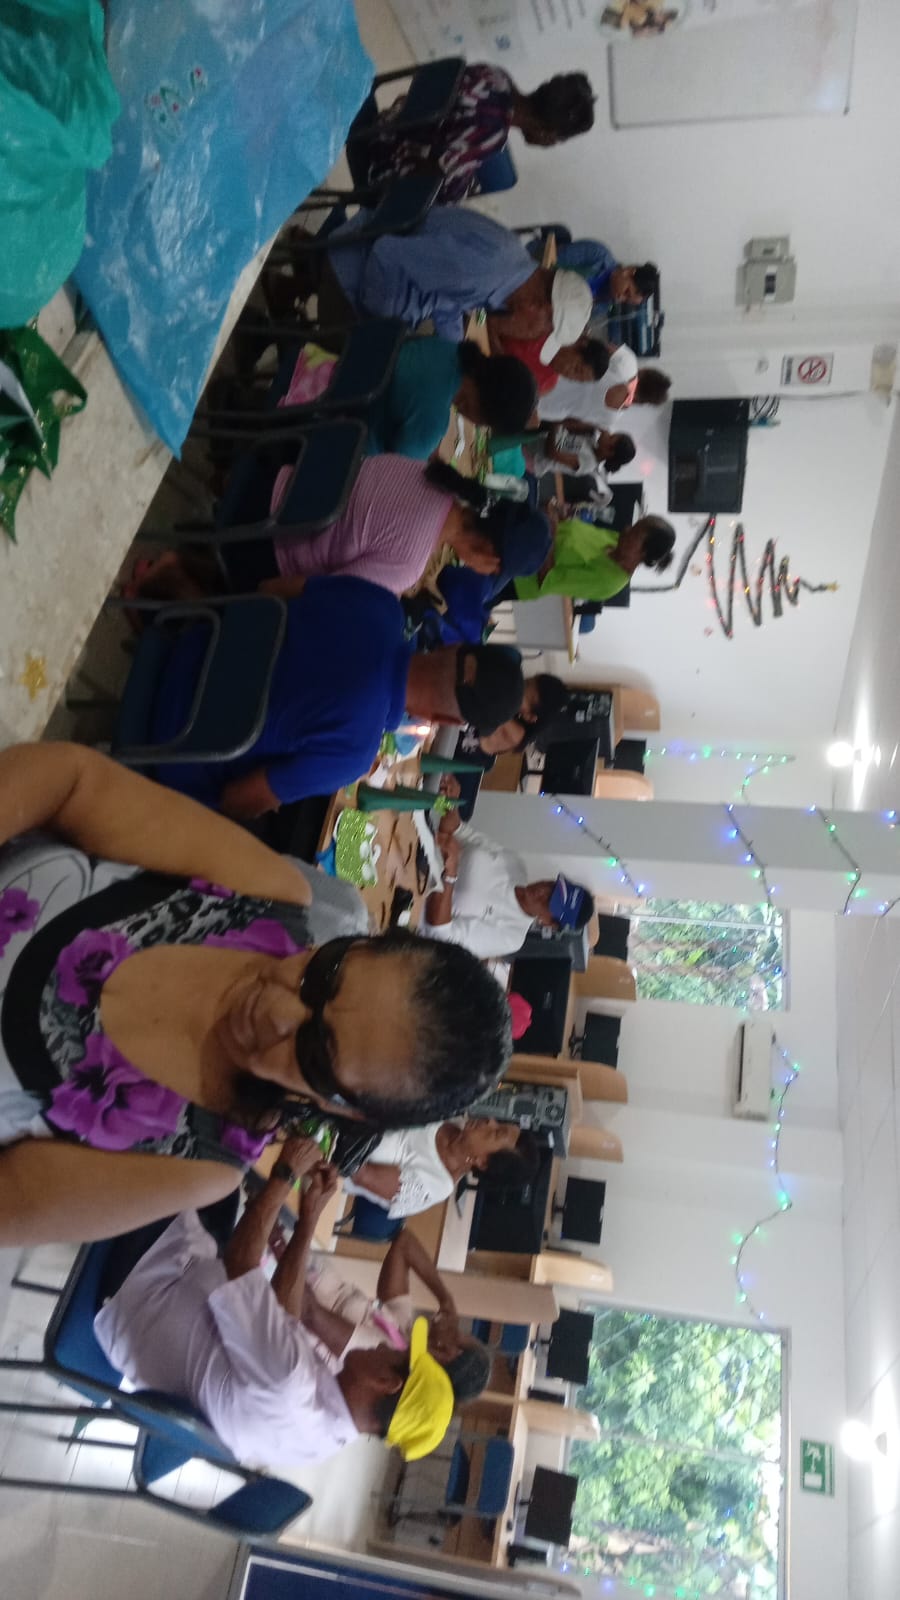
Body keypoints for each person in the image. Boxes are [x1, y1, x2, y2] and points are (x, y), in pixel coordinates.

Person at [0, 743, 513, 1247]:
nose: (275, 1009)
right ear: (360, 940)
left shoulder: (196, 1161)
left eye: (315, 1054)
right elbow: (73, 783)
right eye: (325, 973)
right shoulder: (263, 894)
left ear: (346, 1111)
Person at [93, 1152, 459, 1470]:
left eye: (395, 1353)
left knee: (189, 1145)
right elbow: (286, 1320)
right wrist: (308, 1219)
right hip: (180, 1284)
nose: (383, 1345)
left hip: (146, 1283)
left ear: (387, 1382)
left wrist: (286, 1173)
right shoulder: (324, 1434)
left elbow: (241, 1262)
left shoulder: (290, 1382)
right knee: (224, 1172)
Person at [148, 589, 526, 817]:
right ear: (443, 719)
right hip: (170, 741)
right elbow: (236, 799)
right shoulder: (355, 754)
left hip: (194, 639)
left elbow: (270, 592)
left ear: (453, 646)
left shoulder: (382, 607)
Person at [220, 456, 552, 599]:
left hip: (271, 483)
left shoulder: (430, 474)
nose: (484, 574)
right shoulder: (409, 565)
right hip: (259, 541)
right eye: (494, 572)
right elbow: (315, 592)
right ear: (489, 554)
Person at [321, 205, 593, 347]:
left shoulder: (511, 266)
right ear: (540, 307)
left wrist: (456, 354)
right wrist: (387, 326)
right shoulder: (482, 272)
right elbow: (385, 255)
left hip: (374, 262)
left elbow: (447, 301)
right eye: (543, 330)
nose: (532, 336)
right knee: (362, 370)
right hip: (351, 270)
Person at [300, 1216, 490, 1403]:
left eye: (458, 1334)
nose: (454, 1324)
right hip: (305, 1264)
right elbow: (404, 1243)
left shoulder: (382, 1357)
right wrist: (445, 1299)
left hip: (294, 1282)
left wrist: (295, 1239)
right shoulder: (405, 1333)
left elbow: (310, 1313)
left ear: (450, 1353)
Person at [273, 336, 539, 461]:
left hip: (322, 368)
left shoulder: (449, 349)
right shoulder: (432, 423)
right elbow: (398, 472)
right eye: (487, 424)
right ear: (483, 412)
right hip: (318, 427)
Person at [359, 66, 595, 204]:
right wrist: (461, 189)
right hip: (385, 157)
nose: (552, 144)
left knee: (490, 177)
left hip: (391, 123)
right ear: (547, 132)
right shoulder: (492, 133)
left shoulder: (497, 76)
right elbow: (432, 174)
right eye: (558, 140)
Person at [424, 796, 594, 958]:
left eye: (550, 901)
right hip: (417, 853)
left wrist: (450, 875)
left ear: (549, 922)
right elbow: (455, 829)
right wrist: (446, 802)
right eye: (552, 886)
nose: (542, 891)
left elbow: (440, 935)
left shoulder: (512, 936)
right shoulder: (515, 864)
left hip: (415, 901)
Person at [346, 1117, 541, 1220]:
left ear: (483, 1162)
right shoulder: (454, 1118)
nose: (490, 1121)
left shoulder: (436, 1184)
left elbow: (360, 1174)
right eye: (499, 1122)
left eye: (496, 1132)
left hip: (335, 1149)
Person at [512, 513, 676, 603]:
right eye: (634, 525)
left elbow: (545, 578)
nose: (627, 529)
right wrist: (561, 516)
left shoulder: (609, 581)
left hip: (517, 574)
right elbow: (570, 534)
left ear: (643, 553)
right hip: (523, 536)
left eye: (635, 533)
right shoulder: (615, 540)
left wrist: (551, 535)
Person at [489, 327, 608, 399]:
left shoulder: (546, 385)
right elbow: (493, 323)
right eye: (577, 369)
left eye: (576, 379)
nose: (570, 375)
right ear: (579, 344)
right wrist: (499, 360)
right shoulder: (541, 330)